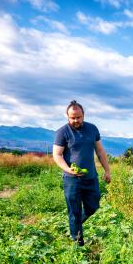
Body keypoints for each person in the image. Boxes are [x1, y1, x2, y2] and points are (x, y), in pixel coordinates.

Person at [53, 100, 111, 246]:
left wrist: (107, 170)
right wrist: (68, 169)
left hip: (91, 177)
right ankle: (78, 243)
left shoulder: (92, 129)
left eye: (78, 117)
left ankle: (76, 224)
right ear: (67, 117)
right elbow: (57, 155)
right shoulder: (62, 132)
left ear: (83, 115)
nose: (75, 120)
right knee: (74, 211)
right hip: (71, 180)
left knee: (93, 206)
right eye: (72, 118)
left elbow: (100, 151)